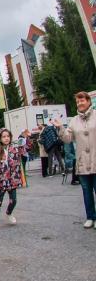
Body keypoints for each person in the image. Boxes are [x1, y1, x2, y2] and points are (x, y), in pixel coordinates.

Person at [54, 91, 96, 228]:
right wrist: (60, 127)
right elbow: (67, 138)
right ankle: (90, 217)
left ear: (89, 101)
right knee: (86, 192)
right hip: (82, 162)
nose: (80, 103)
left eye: (82, 100)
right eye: (78, 102)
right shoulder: (74, 121)